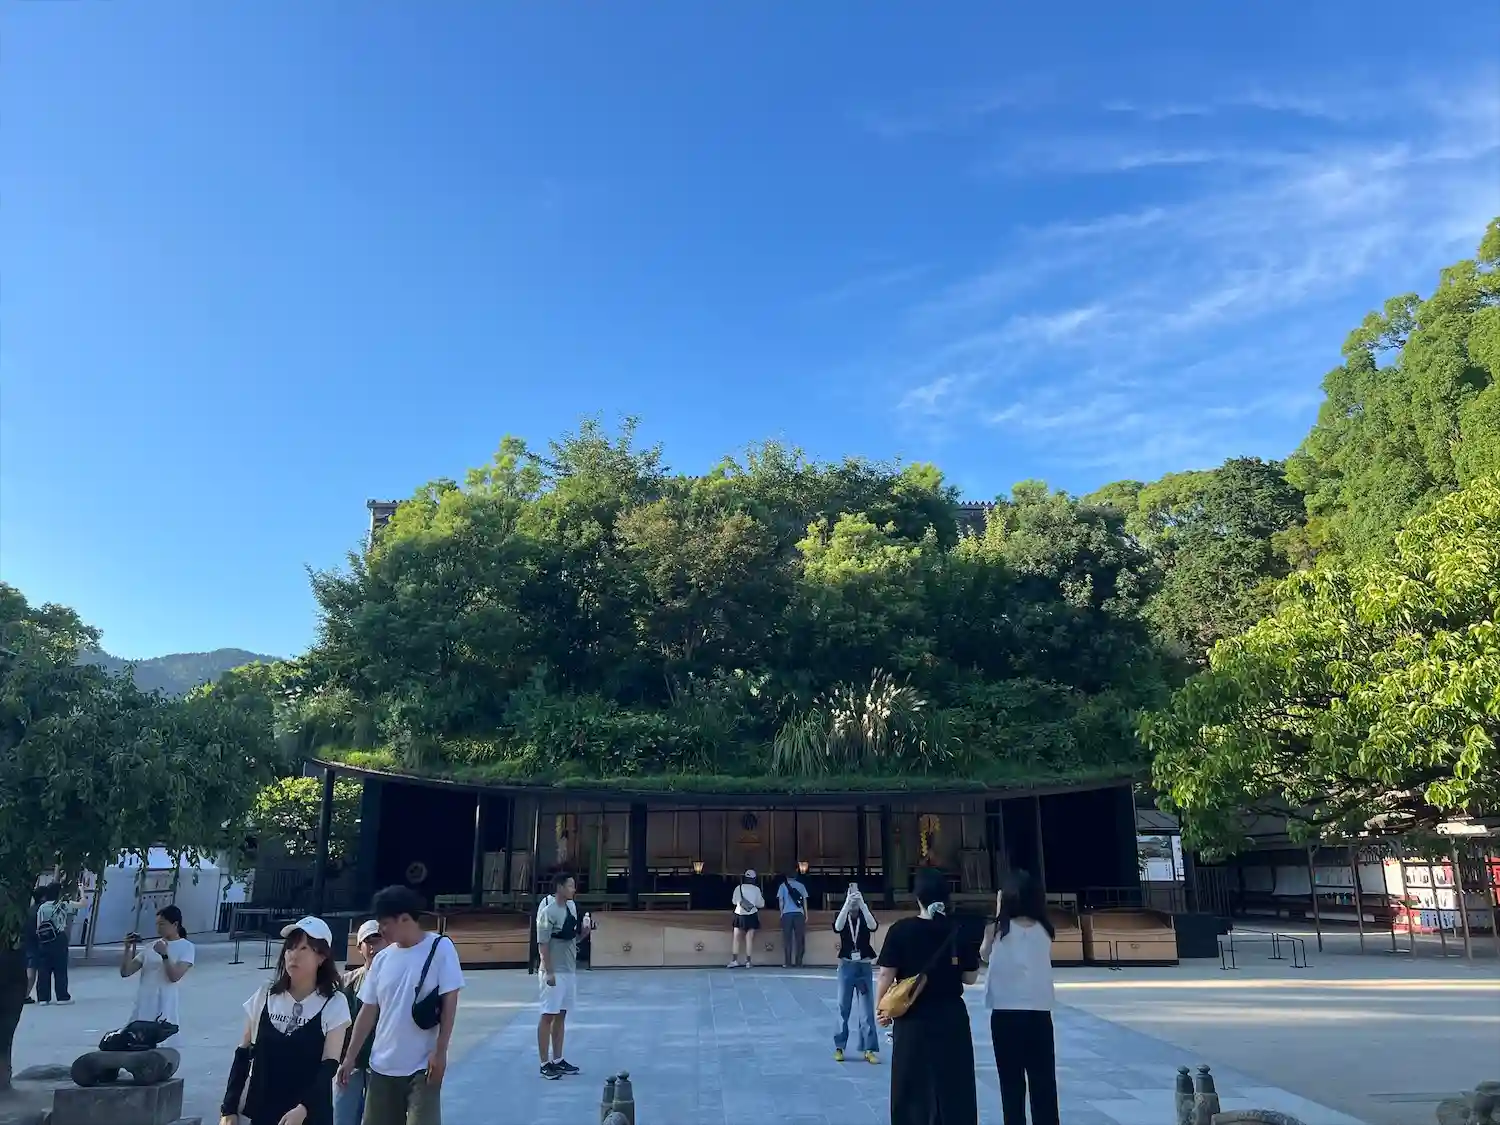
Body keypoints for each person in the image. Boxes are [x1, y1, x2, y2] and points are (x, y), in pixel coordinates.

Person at [338, 885, 463, 1125]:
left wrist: (441, 1051)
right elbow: (368, 1011)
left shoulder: (441, 948)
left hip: (422, 1067)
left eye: (385, 923)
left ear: (405, 919)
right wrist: (350, 1057)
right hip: (382, 1066)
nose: (381, 930)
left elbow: (450, 1001)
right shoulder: (382, 959)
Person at [218, 917, 351, 1125]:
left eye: (304, 948)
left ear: (322, 957)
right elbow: (243, 1053)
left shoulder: (335, 1003)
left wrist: (304, 1108)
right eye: (290, 947)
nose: (293, 955)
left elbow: (329, 1065)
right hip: (263, 1112)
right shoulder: (265, 995)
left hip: (308, 1115)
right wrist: (229, 1108)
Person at [875, 867, 981, 1125]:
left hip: (913, 1019)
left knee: (912, 1086)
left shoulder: (901, 930)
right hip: (951, 1018)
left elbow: (886, 974)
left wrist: (882, 1008)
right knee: (954, 1086)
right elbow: (970, 977)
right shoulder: (958, 930)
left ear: (917, 897)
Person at [980, 871, 1059, 1125]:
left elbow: (984, 955)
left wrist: (998, 909)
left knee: (1010, 1080)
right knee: (1043, 1079)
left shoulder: (997, 929)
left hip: (1005, 1011)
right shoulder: (1045, 929)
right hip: (1039, 1011)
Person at [535, 871, 596, 1080]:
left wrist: (584, 933)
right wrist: (549, 971)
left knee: (561, 1014)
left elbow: (571, 939)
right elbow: (543, 944)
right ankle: (544, 1063)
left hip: (569, 969)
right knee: (548, 1015)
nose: (574, 889)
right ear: (560, 887)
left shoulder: (571, 907)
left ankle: (558, 1058)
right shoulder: (547, 911)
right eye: (570, 886)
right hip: (554, 970)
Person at [334, 919, 386, 1125]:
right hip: (350, 1064)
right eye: (368, 942)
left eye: (378, 940)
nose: (373, 947)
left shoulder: (397, 981)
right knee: (342, 1117)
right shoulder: (346, 982)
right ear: (359, 947)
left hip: (381, 1065)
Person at [121, 905, 196, 1043]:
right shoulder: (151, 946)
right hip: (144, 1002)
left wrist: (164, 955)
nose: (158, 928)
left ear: (175, 924)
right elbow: (126, 972)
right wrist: (127, 949)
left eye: (162, 924)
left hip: (164, 1003)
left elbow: (174, 976)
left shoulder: (186, 947)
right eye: (157, 924)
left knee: (161, 1043)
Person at [832, 882, 880, 1064]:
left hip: (864, 966)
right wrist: (846, 904)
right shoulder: (842, 915)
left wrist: (863, 904)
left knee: (866, 1009)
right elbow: (837, 927)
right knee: (843, 1006)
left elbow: (873, 926)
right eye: (851, 895)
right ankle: (839, 1047)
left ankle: (869, 1048)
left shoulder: (865, 915)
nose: (853, 899)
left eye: (856, 895)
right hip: (846, 965)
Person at [33, 884, 77, 1005]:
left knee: (43, 968)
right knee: (60, 968)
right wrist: (82, 891)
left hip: (44, 938)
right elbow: (82, 904)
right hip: (59, 938)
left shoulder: (42, 907)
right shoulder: (62, 905)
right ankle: (62, 996)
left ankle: (43, 997)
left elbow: (38, 924)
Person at [728, 870, 764, 968]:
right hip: (752, 914)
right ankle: (748, 961)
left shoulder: (738, 888)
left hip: (739, 914)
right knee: (749, 939)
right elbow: (761, 904)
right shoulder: (756, 889)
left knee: (736, 938)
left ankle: (734, 960)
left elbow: (734, 901)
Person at [776, 868, 810, 967]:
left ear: (786, 876)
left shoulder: (782, 886)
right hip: (799, 914)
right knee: (799, 939)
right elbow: (804, 901)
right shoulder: (801, 886)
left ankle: (788, 962)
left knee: (787, 939)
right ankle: (799, 962)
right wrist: (806, 914)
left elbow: (781, 901)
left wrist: (781, 913)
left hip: (787, 914)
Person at [23, 885, 49, 1005]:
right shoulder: (42, 910)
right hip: (36, 943)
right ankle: (25, 995)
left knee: (30, 968)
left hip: (28, 942)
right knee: (32, 971)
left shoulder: (30, 910)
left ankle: (25, 994)